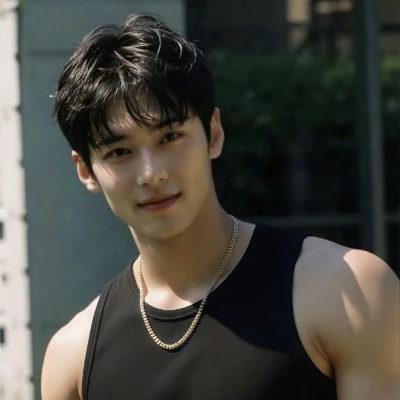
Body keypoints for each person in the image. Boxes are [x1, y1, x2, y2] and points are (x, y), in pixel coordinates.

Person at [41, 14, 399, 400]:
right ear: (86, 170)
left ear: (213, 134)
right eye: (119, 152)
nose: (152, 174)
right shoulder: (73, 359)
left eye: (170, 137)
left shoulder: (345, 289)